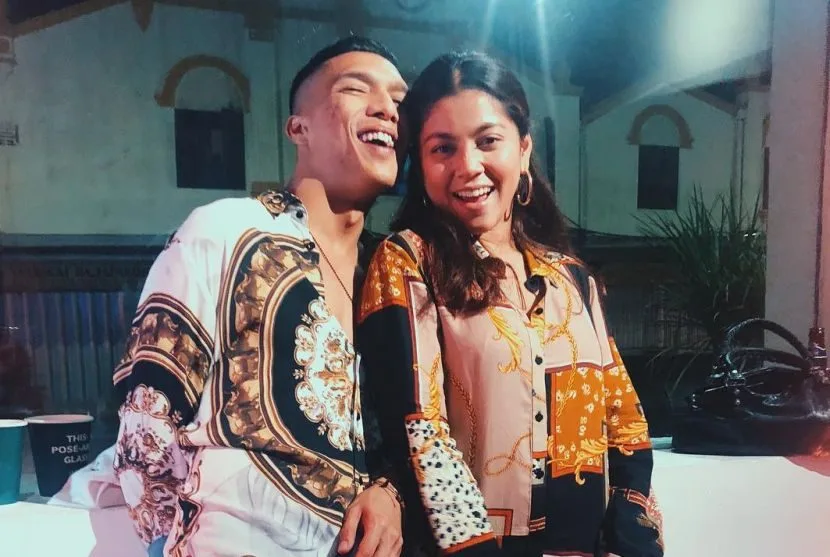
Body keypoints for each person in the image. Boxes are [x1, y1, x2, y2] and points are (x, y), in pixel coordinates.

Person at [357, 51, 664, 557]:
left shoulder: (573, 279)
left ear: (523, 150)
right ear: (421, 165)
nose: (468, 166)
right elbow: (420, 433)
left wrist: (632, 534)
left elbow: (625, 423)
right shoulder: (407, 263)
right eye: (443, 148)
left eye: (487, 141)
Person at [112, 36, 408, 557]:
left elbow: (416, 435)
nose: (387, 108)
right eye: (357, 89)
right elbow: (147, 426)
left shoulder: (394, 271)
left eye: (400, 101)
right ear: (298, 128)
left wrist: (391, 490)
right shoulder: (225, 231)